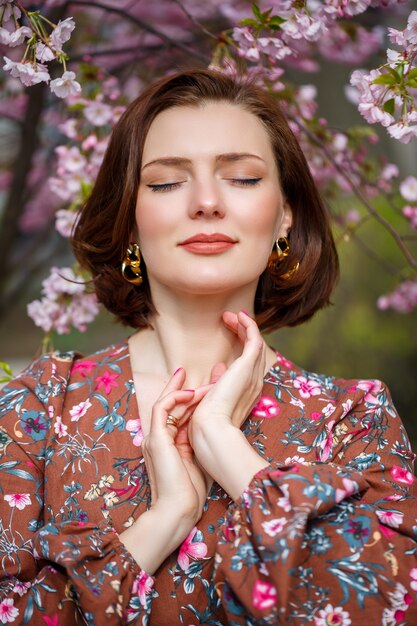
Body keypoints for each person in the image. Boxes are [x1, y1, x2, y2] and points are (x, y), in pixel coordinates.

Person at [0, 68, 416, 626]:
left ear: (284, 216)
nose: (205, 202)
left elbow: (388, 606)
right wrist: (165, 520)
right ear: (128, 223)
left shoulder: (354, 419)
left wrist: (230, 453)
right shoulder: (39, 410)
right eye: (167, 182)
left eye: (242, 178)